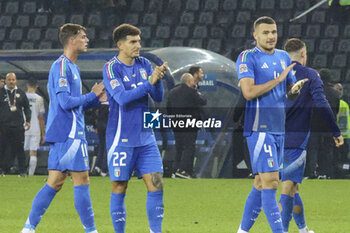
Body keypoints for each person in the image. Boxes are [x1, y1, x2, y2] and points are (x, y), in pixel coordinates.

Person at [20, 23, 105, 233]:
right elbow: (66, 103)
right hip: (69, 133)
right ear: (71, 40)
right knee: (81, 179)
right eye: (83, 37)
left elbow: (75, 104)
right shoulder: (61, 67)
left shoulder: (72, 67)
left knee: (55, 181)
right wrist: (92, 95)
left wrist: (97, 100)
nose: (87, 40)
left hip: (68, 131)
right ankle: (91, 230)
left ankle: (28, 228)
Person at [235, 16, 306, 233]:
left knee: (260, 184)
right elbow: (248, 92)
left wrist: (293, 91)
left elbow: (289, 90)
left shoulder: (284, 57)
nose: (271, 36)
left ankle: (242, 231)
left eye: (273, 32)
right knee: (272, 182)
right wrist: (277, 80)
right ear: (255, 35)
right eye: (265, 32)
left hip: (279, 128)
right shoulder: (247, 57)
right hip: (259, 128)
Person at [102, 23, 167, 233]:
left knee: (156, 184)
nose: (138, 45)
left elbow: (158, 97)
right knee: (120, 186)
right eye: (133, 41)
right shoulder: (111, 67)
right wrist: (149, 82)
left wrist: (157, 81)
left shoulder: (144, 63)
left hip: (146, 138)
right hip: (121, 138)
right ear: (120, 44)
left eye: (139, 41)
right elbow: (121, 98)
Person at [279, 38, 343, 233]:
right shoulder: (310, 75)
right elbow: (322, 104)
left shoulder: (275, 73)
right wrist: (335, 130)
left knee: (294, 187)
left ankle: (303, 228)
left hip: (272, 136)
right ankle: (280, 230)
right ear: (303, 54)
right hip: (295, 139)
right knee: (288, 188)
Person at [167, 73, 207, 178]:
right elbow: (203, 101)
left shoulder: (172, 92)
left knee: (179, 147)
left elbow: (168, 108)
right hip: (189, 124)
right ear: (189, 82)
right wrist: (197, 91)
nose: (194, 83)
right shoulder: (192, 92)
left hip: (176, 124)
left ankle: (175, 170)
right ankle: (183, 170)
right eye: (193, 81)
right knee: (189, 147)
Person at [307, 68, 341, 179]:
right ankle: (326, 173)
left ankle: (311, 172)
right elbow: (336, 110)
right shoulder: (335, 93)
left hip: (314, 124)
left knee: (313, 149)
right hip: (329, 126)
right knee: (328, 150)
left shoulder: (314, 90)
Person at [0, 72, 31, 177]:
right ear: (6, 81)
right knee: (2, 148)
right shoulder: (1, 93)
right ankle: (2, 171)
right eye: (9, 80)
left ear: (16, 80)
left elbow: (27, 108)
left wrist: (28, 120)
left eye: (13, 80)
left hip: (18, 126)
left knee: (20, 149)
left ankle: (23, 171)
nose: (11, 82)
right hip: (3, 126)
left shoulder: (21, 93)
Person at [24, 78, 46, 176]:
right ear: (36, 86)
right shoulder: (39, 98)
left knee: (23, 151)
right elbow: (40, 117)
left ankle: (22, 171)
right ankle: (31, 174)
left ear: (27, 85)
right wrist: (43, 133)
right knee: (33, 151)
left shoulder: (21, 96)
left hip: (23, 127)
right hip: (35, 128)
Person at [334, 83, 350, 162]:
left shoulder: (346, 103)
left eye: (340, 89)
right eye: (337, 89)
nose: (339, 91)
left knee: (345, 157)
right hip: (338, 136)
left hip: (347, 136)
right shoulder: (334, 103)